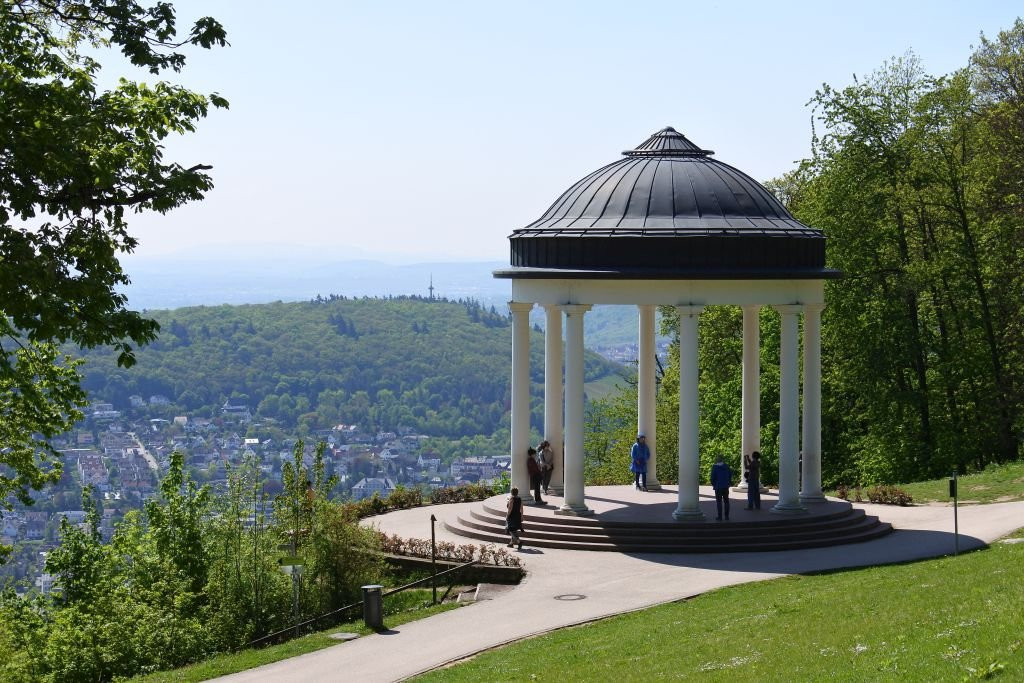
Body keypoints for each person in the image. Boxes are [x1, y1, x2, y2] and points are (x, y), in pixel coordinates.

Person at [710, 454, 733, 520]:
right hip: (725, 486)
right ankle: (727, 516)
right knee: (726, 501)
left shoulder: (714, 467)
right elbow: (730, 475)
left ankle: (720, 516)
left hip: (718, 486)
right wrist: (728, 483)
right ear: (722, 459)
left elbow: (712, 478)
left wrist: (714, 484)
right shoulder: (726, 466)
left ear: (716, 460)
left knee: (719, 502)